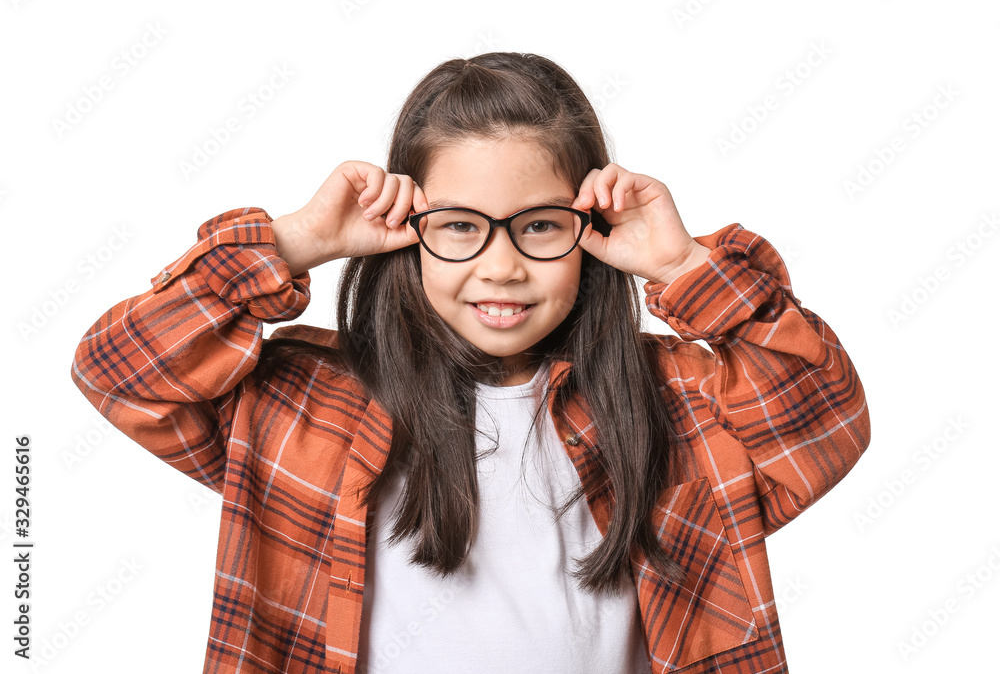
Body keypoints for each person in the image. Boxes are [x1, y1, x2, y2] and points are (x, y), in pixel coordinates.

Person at [70, 52, 870, 674]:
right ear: (408, 226)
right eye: (459, 226)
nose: (501, 266)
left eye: (540, 226)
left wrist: (684, 263)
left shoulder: (676, 403)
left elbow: (823, 416)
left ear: (589, 230)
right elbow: (122, 370)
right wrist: (296, 240)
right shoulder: (303, 404)